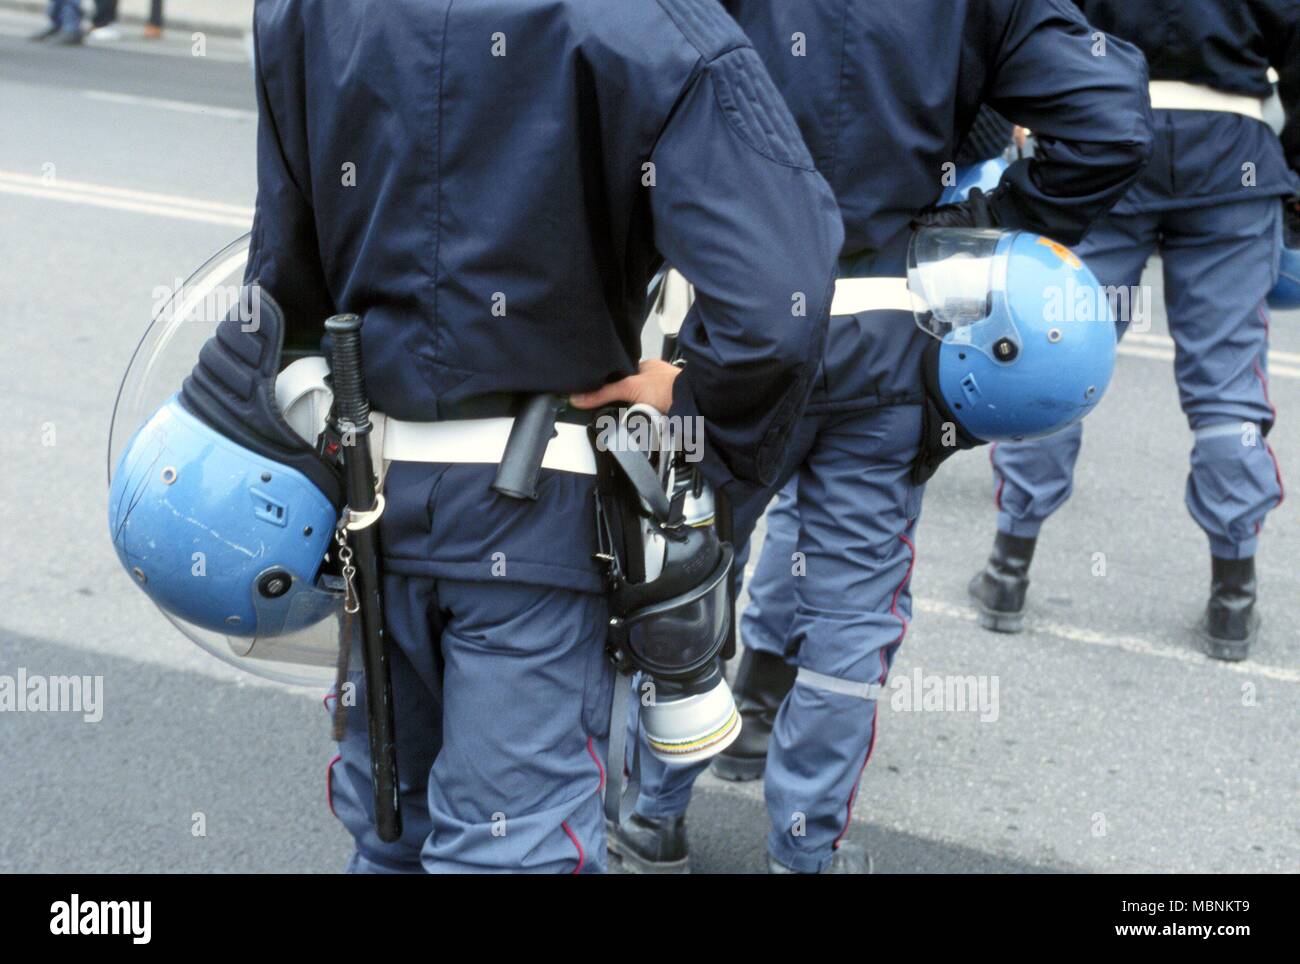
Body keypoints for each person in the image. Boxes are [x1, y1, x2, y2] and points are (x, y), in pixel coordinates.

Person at [248, 0, 842, 873]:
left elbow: (280, 287)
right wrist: (697, 418)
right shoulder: (650, 22)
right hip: (537, 514)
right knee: (509, 849)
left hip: (369, 494)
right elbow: (776, 307)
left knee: (390, 836)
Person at [609, 0, 1154, 874]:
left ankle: (649, 816)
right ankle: (804, 849)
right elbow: (1110, 121)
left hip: (732, 321)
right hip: (895, 326)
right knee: (851, 614)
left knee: (686, 567)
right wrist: (985, 227)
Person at [970, 0, 1299, 662]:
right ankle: (1231, 600)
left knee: (1051, 357)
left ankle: (1009, 570)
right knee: (1228, 380)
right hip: (1232, 151)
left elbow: (1035, 31)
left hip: (1107, 142)